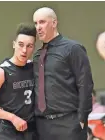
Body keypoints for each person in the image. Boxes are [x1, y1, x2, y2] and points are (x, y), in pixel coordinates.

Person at [33, 7, 94, 140]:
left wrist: (82, 118)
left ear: (54, 23)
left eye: (42, 22)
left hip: (69, 124)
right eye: (36, 23)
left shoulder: (73, 49)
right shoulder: (37, 56)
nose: (38, 27)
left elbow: (85, 84)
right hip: (42, 127)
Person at [0, 23, 37, 140]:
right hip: (11, 132)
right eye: (21, 45)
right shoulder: (1, 72)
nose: (24, 50)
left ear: (33, 47)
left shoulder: (35, 68)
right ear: (14, 44)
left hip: (34, 130)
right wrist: (12, 118)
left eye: (29, 46)